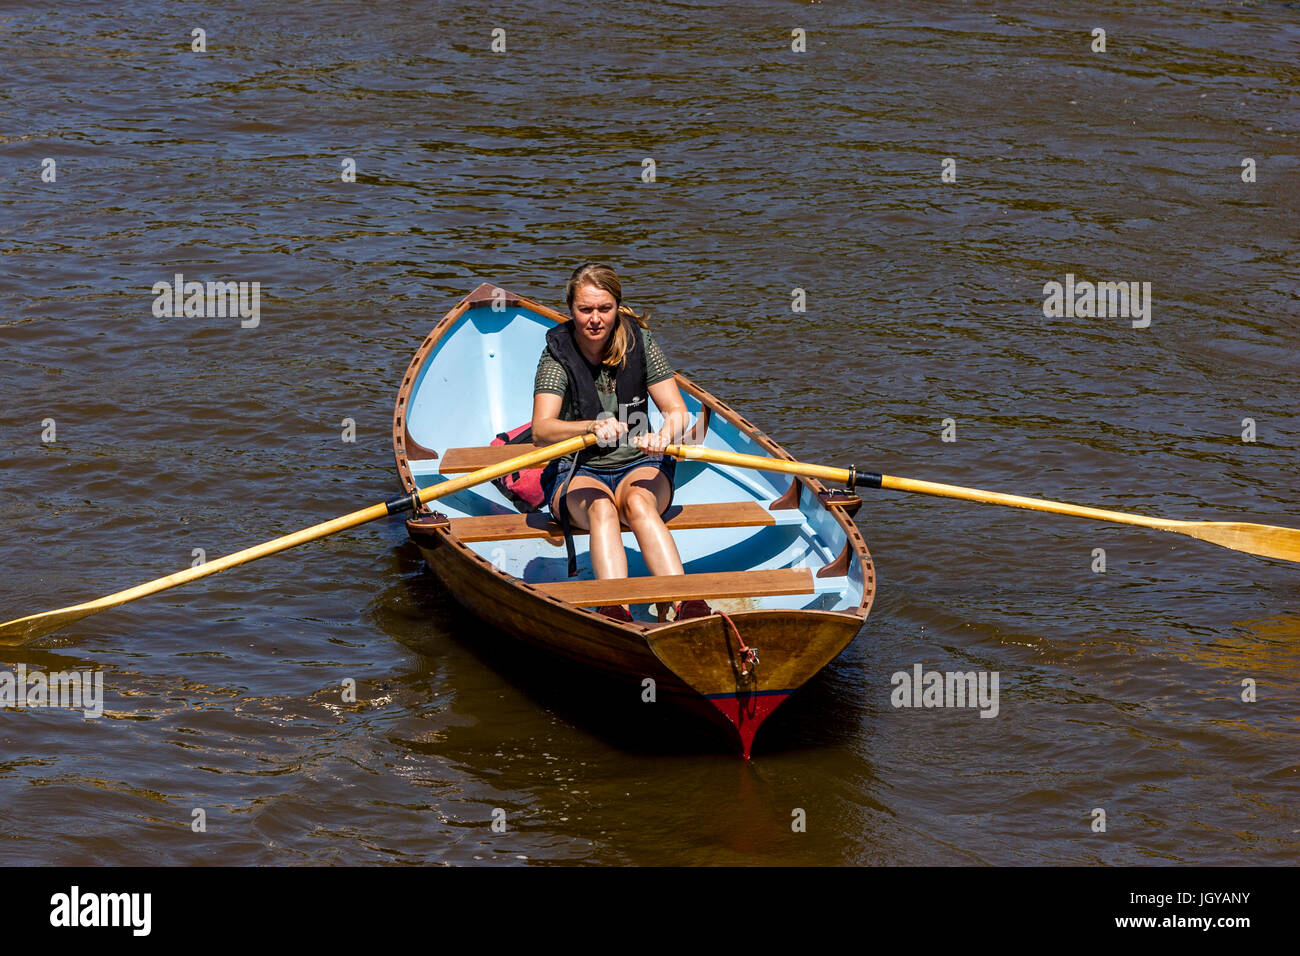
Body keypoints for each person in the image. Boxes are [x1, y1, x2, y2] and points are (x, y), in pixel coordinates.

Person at [532, 263, 712, 623]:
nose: (595, 319)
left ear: (617, 307)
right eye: (585, 310)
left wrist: (664, 435)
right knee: (602, 509)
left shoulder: (640, 342)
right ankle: (616, 608)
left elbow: (678, 411)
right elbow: (542, 431)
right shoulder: (557, 353)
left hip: (639, 465)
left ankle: (683, 603)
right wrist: (591, 428)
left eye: (604, 309)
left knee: (639, 504)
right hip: (579, 470)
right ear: (571, 309)